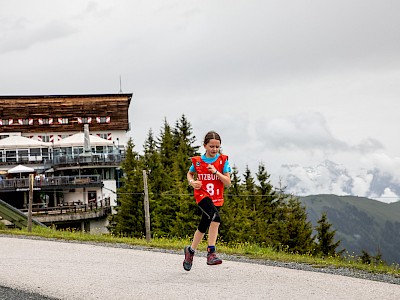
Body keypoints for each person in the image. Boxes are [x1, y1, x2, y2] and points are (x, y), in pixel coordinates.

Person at [183, 131, 231, 271]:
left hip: (216, 198)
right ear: (205, 146)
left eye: (217, 147)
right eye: (211, 146)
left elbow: (228, 182)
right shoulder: (198, 161)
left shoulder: (223, 161)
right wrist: (192, 182)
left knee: (203, 225)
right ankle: (211, 252)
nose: (214, 149)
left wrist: (216, 172)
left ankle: (190, 251)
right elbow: (190, 173)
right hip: (202, 196)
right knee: (216, 217)